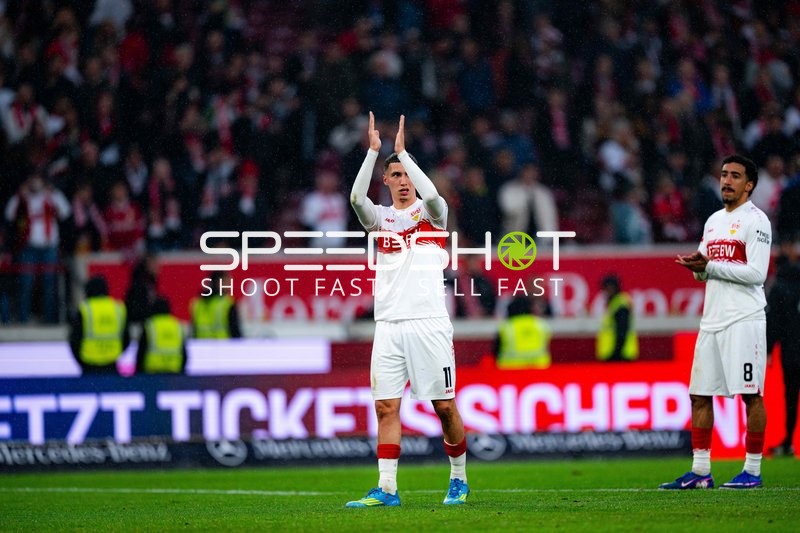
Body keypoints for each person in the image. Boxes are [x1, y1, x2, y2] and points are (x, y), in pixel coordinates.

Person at [345, 113, 469, 508]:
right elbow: (355, 200)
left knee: (444, 407)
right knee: (385, 406)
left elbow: (433, 196)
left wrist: (404, 154)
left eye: (406, 175)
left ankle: (459, 479)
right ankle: (387, 489)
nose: (402, 181)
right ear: (386, 181)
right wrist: (374, 153)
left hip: (429, 324)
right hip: (389, 326)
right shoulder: (380, 220)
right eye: (394, 175)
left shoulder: (434, 215)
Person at [662, 154, 772, 490]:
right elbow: (704, 273)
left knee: (750, 395)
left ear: (749, 185)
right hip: (712, 320)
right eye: (724, 175)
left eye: (735, 176)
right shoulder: (712, 222)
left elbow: (756, 274)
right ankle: (700, 472)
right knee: (699, 395)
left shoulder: (757, 221)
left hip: (745, 318)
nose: (727, 181)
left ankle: (752, 471)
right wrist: (696, 267)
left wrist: (708, 267)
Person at [4, 171, 71, 323]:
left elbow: (66, 212)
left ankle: (50, 321)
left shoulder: (51, 195)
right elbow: (9, 215)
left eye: (38, 180)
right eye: (32, 180)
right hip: (29, 247)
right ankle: (23, 320)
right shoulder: (23, 197)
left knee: (49, 285)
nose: (35, 183)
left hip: (49, 247)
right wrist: (19, 195)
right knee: (26, 285)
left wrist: (54, 193)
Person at [766, 237, 800, 457]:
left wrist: (768, 349)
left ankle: (788, 442)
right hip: (793, 348)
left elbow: (773, 322)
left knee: (791, 395)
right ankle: (787, 442)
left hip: (792, 351)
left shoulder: (779, 287)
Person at [69, 275, 130, 375]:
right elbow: (126, 339)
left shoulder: (85, 309)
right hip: (112, 366)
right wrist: (114, 354)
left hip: (89, 366)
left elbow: (74, 341)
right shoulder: (118, 308)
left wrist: (83, 362)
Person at [494, 296, 552, 369]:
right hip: (538, 370)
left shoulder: (506, 327)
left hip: (510, 371)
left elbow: (496, 351)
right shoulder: (541, 325)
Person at [136, 297, 187, 374]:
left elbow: (141, 351)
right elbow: (184, 352)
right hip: (173, 372)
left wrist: (139, 371)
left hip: (152, 372)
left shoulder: (150, 325)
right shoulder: (178, 326)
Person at [595, 274, 639, 362]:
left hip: (620, 356)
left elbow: (622, 330)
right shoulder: (616, 304)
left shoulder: (620, 305)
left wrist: (616, 353)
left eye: (606, 288)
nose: (605, 292)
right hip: (618, 355)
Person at [190, 271, 241, 339]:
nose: (229, 285)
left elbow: (194, 330)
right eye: (226, 282)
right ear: (218, 282)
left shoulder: (197, 303)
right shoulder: (227, 303)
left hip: (201, 345)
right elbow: (235, 331)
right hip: (222, 345)